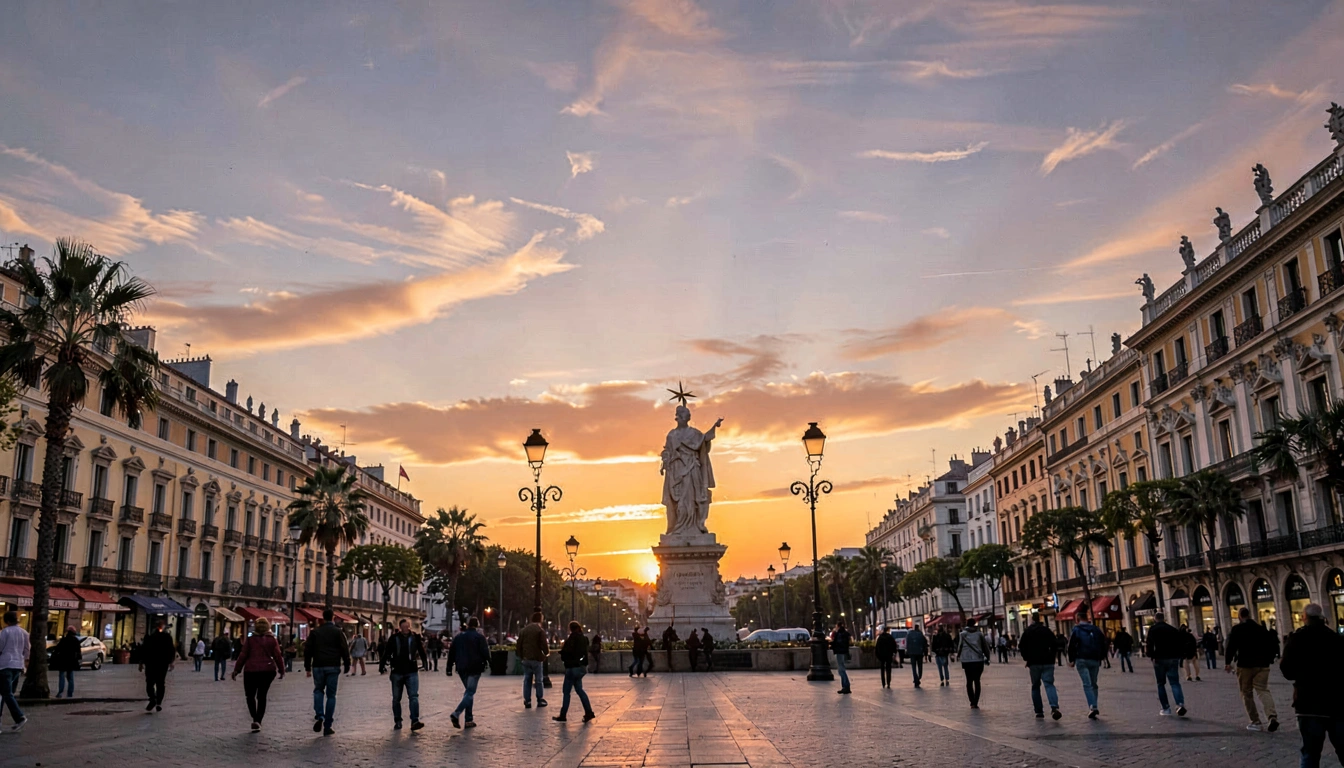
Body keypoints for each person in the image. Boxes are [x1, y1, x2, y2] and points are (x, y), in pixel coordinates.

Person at [1280, 603, 1344, 767]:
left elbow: (1286, 669)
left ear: (1304, 617)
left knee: (1310, 752)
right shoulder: (1335, 637)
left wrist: (1301, 676)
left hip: (1308, 703)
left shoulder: (1297, 638)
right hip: (1335, 702)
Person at [1224, 607, 1279, 732]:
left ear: (1239, 616)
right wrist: (1269, 660)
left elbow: (1231, 646)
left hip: (1245, 665)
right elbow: (1272, 645)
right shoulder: (1261, 628)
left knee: (1246, 693)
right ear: (1249, 615)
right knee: (1263, 690)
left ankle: (1255, 721)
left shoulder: (1237, 629)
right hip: (1263, 665)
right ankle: (1272, 716)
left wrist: (1228, 662)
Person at [231, 617, 284, 732]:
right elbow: (278, 656)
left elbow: (243, 655)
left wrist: (237, 670)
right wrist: (281, 669)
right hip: (267, 670)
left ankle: (255, 717)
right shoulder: (272, 640)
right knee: (262, 696)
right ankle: (258, 720)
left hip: (251, 670)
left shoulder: (250, 640)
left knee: (250, 696)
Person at [305, 609, 351, 736]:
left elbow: (308, 650)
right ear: (333, 617)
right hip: (333, 666)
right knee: (331, 696)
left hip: (318, 665)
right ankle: (328, 725)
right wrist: (347, 663)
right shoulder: (338, 632)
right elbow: (344, 648)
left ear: (322, 618)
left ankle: (320, 715)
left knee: (318, 690)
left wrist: (307, 667)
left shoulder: (315, 632)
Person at [379, 619, 427, 731]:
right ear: (400, 627)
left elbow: (420, 649)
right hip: (397, 671)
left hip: (412, 671)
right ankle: (398, 720)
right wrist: (382, 665)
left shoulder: (415, 637)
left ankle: (415, 720)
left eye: (408, 626)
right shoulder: (394, 638)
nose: (406, 629)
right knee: (396, 698)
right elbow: (387, 652)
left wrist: (425, 662)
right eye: (404, 627)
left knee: (414, 696)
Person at [447, 616, 490, 729]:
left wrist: (449, 667)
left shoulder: (458, 637)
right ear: (477, 625)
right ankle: (456, 713)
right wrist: (490, 662)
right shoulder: (479, 637)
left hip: (461, 667)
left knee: (468, 693)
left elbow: (451, 653)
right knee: (470, 692)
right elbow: (485, 652)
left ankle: (469, 719)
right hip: (475, 668)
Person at [1067, 608, 1108, 720]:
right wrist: (1102, 656)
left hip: (1081, 659)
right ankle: (1094, 705)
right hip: (1094, 659)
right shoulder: (1095, 629)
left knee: (1087, 684)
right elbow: (1104, 643)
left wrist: (1071, 659)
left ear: (1078, 619)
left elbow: (1071, 645)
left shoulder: (1076, 630)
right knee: (1094, 683)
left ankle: (1093, 706)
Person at [1145, 613, 1188, 717]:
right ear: (1164, 619)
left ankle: (1166, 708)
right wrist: (1180, 655)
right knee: (1175, 683)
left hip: (1159, 658)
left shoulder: (1153, 629)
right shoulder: (1172, 629)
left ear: (1155, 619)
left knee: (1161, 684)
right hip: (1172, 658)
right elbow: (1180, 643)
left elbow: (1149, 644)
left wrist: (1151, 655)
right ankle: (1180, 703)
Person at [1019, 613, 1061, 720]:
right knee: (1049, 684)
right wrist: (1052, 656)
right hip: (1047, 661)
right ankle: (1054, 707)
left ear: (1032, 619)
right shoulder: (1046, 630)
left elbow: (1021, 646)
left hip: (1033, 662)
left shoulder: (1028, 631)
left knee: (1035, 686)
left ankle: (1038, 711)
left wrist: (1026, 658)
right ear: (1040, 619)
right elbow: (1055, 644)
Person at [554, 621, 596, 723]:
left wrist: (563, 654)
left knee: (566, 692)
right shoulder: (584, 639)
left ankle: (563, 715)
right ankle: (588, 712)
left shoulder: (571, 639)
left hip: (572, 668)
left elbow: (567, 652)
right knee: (579, 690)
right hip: (581, 668)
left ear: (571, 629)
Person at [138, 618, 176, 712]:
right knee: (158, 683)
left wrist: (141, 662)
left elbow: (144, 650)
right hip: (159, 663)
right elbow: (144, 650)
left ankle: (155, 700)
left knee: (153, 683)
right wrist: (171, 661)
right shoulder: (159, 637)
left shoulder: (152, 636)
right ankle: (156, 701)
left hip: (154, 663)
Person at [0, 611, 28, 731]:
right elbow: (27, 650)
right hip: (18, 665)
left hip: (5, 664)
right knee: (5, 693)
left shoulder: (5, 632)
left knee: (6, 693)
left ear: (7, 621)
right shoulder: (24, 633)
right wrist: (25, 663)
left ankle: (19, 716)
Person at [957, 619, 992, 709]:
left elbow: (960, 646)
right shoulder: (979, 634)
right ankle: (976, 701)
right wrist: (987, 657)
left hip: (966, 660)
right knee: (977, 680)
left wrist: (958, 655)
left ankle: (972, 701)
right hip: (978, 660)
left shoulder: (962, 634)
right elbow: (985, 647)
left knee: (969, 681)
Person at [517, 612, 549, 709]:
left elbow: (519, 644)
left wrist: (521, 656)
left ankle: (527, 700)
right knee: (538, 680)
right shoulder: (539, 630)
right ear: (540, 619)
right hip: (536, 658)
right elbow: (544, 644)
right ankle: (540, 699)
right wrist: (546, 653)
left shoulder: (524, 630)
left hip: (526, 658)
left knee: (527, 679)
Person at [50, 626, 82, 699]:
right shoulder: (76, 640)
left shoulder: (64, 640)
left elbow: (57, 649)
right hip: (71, 661)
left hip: (63, 660)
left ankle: (60, 693)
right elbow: (78, 652)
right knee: (70, 678)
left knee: (62, 676)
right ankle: (70, 694)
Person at [830, 621, 852, 694]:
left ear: (838, 626)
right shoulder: (845, 633)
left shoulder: (839, 633)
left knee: (841, 670)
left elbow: (838, 643)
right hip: (844, 652)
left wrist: (831, 643)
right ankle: (845, 686)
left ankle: (846, 686)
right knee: (841, 669)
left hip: (840, 652)